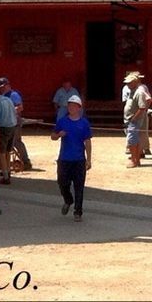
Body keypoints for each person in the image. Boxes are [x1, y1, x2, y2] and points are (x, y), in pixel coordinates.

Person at [51, 93, 92, 221]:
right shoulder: (62, 121)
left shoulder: (84, 123)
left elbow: (88, 142)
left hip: (79, 159)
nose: (71, 108)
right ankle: (68, 200)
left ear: (79, 108)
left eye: (74, 106)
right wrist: (58, 135)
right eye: (69, 106)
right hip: (64, 159)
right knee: (62, 183)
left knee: (79, 186)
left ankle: (78, 212)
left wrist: (89, 159)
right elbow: (52, 136)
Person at [0, 76, 33, 170]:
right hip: (6, 123)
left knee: (16, 142)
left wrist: (9, 111)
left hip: (15, 122)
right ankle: (2, 163)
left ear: (7, 85)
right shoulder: (3, 96)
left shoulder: (14, 95)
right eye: (0, 87)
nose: (2, 88)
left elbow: (20, 107)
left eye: (3, 86)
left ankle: (26, 162)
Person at [122, 71, 150, 167]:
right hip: (131, 120)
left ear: (135, 82)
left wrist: (134, 119)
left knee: (132, 141)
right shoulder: (132, 91)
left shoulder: (139, 92)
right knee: (134, 140)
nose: (128, 84)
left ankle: (134, 160)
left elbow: (142, 107)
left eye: (130, 83)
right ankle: (136, 160)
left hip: (134, 120)